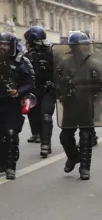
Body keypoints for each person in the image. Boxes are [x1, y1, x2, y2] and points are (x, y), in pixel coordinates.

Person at [55, 32, 102, 180]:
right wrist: (59, 92)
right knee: (65, 136)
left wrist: (99, 98)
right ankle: (73, 157)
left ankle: (85, 167)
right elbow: (57, 81)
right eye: (82, 44)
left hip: (87, 103)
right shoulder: (65, 63)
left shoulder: (94, 63)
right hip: (70, 103)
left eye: (87, 44)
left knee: (86, 136)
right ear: (74, 46)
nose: (86, 47)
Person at [0, 31, 35, 179]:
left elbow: (30, 82)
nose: (2, 47)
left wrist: (19, 92)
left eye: (5, 45)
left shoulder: (21, 61)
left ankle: (10, 167)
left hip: (12, 102)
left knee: (11, 134)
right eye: (0, 44)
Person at [23, 25, 54, 158]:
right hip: (32, 91)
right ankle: (38, 135)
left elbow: (60, 70)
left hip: (47, 89)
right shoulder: (26, 55)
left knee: (46, 116)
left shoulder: (51, 53)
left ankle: (46, 145)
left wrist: (54, 83)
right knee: (33, 115)